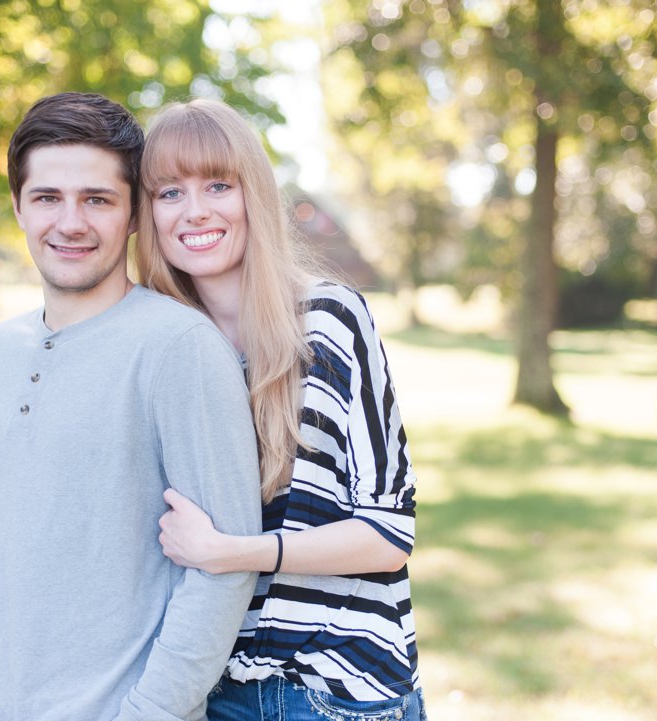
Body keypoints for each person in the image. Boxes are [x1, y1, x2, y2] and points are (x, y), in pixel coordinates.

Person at [0, 92, 263, 721]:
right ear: (18, 206)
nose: (70, 223)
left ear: (132, 214)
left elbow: (224, 568)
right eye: (47, 197)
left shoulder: (180, 348)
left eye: (97, 200)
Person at [136, 98, 425, 721]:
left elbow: (388, 534)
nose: (195, 210)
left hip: (334, 691)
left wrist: (235, 551)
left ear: (255, 195)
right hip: (204, 690)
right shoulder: (158, 352)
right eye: (169, 192)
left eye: (218, 185)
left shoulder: (328, 321)